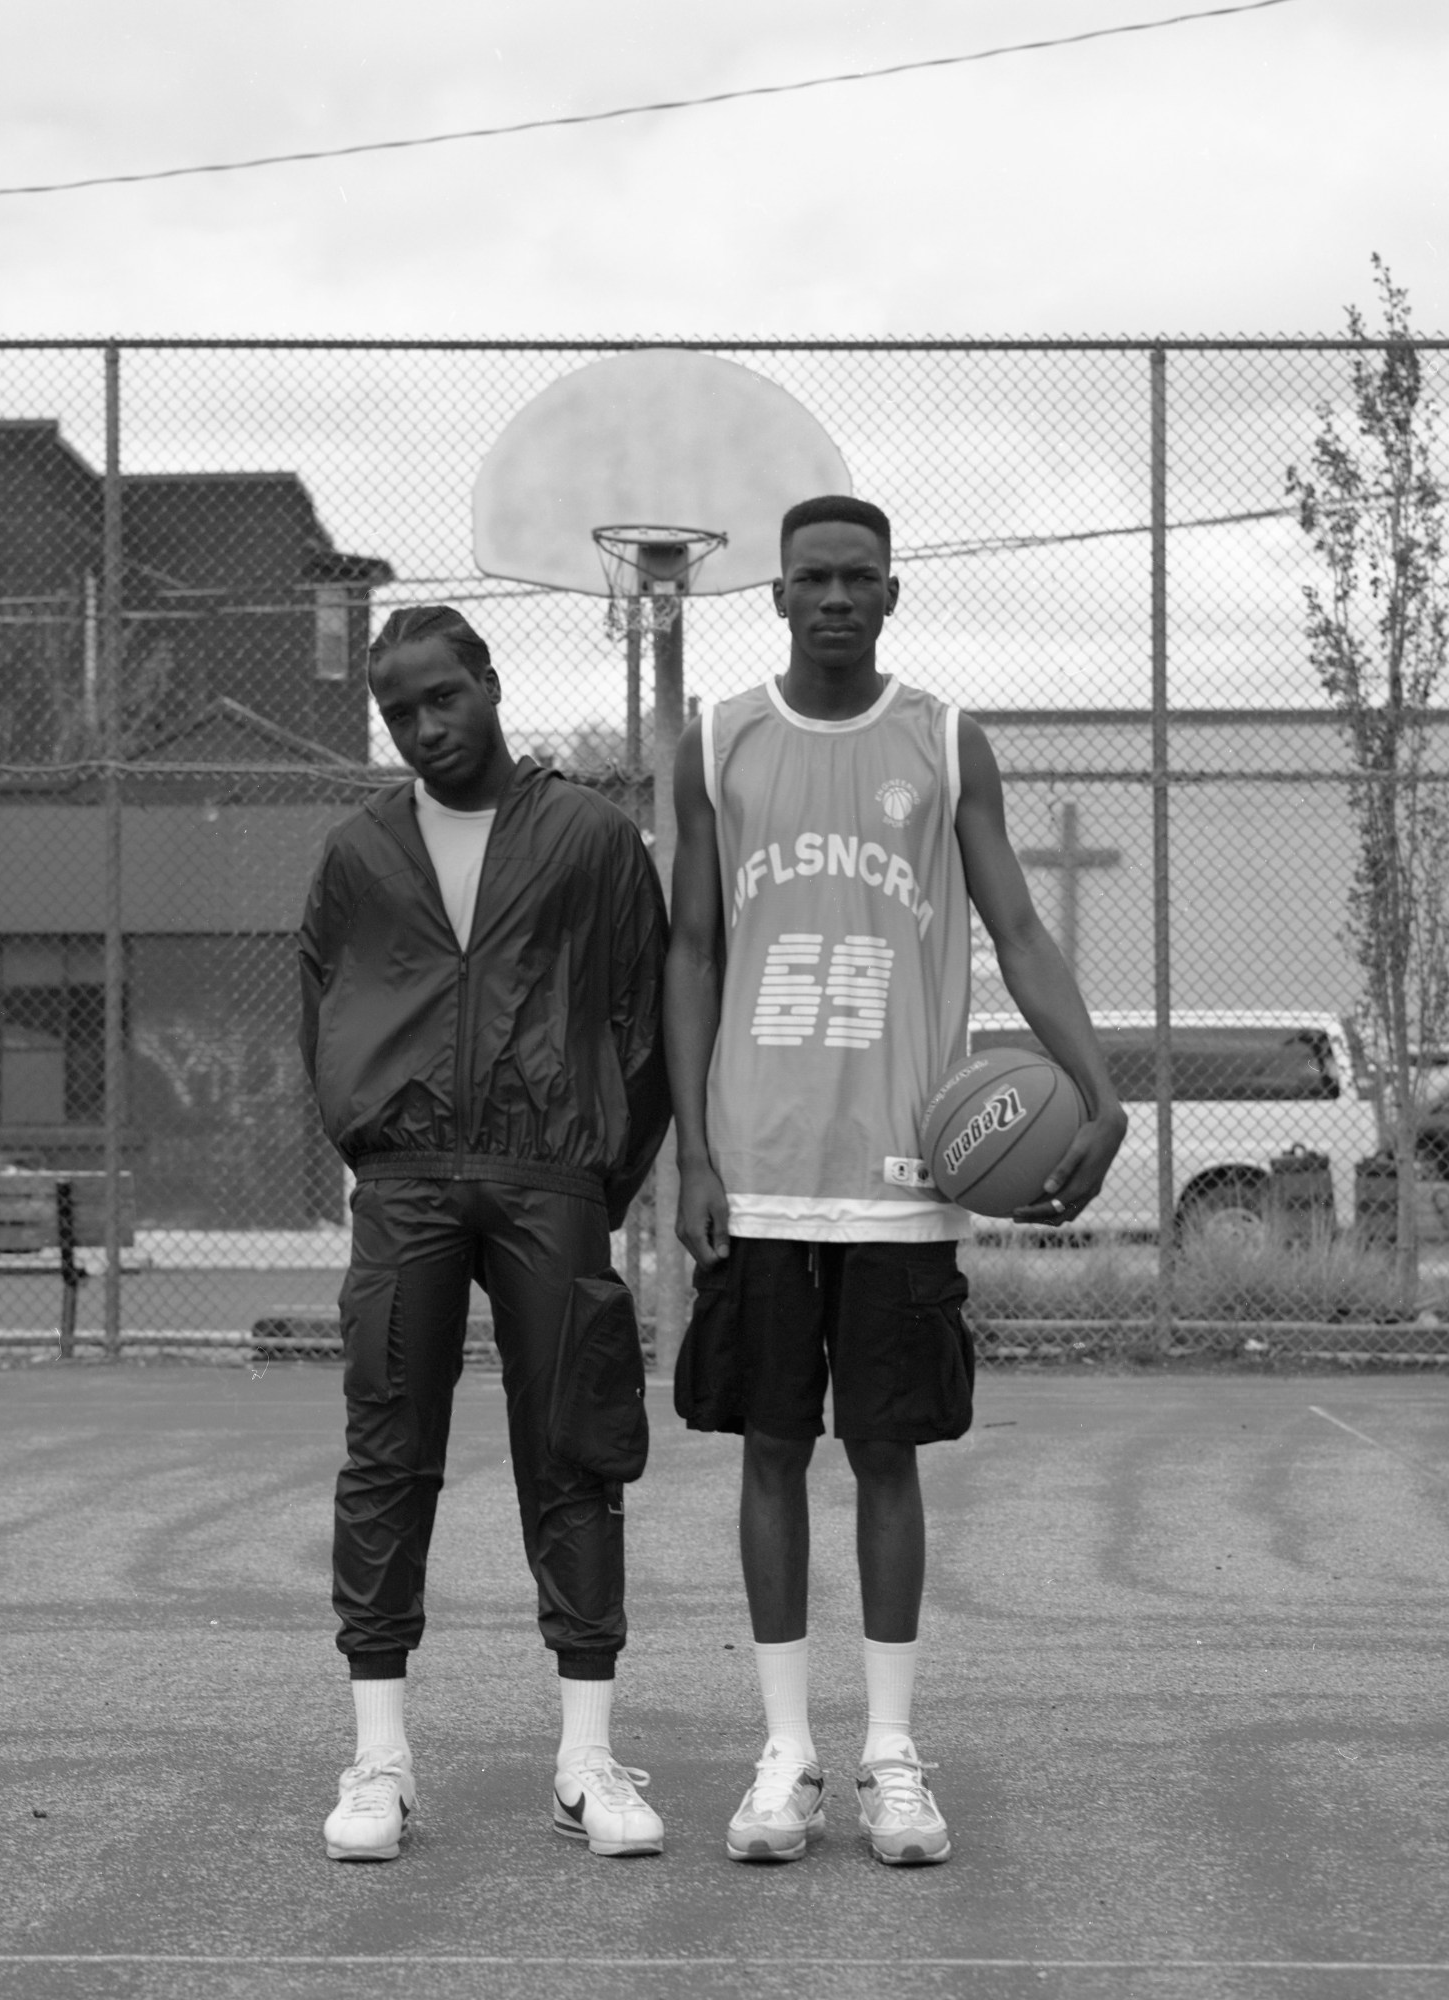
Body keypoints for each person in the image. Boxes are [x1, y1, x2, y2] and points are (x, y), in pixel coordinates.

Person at [665, 496, 1126, 1867]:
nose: (836, 600)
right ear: (778, 594)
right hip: (757, 1163)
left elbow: (1021, 926)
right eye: (813, 578)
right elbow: (689, 951)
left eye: (860, 579)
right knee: (766, 1449)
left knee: (887, 1452)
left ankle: (889, 1755)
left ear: (893, 594)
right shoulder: (715, 740)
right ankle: (784, 1754)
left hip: (904, 1170)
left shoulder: (942, 738)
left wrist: (1098, 1091)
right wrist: (688, 1149)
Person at [298, 605, 671, 1863]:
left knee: (573, 1447)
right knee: (385, 1451)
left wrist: (592, 1173)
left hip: (547, 1171)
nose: (423, 726)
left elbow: (645, 1016)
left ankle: (586, 1760)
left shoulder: (591, 839)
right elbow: (325, 1002)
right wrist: (373, 1137)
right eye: (399, 711)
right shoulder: (358, 852)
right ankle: (380, 1763)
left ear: (490, 683)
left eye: (441, 697)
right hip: (404, 1177)